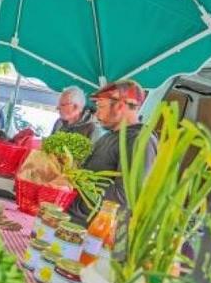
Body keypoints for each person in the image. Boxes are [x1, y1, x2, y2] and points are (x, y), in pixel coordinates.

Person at [67, 80, 158, 226]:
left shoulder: (140, 140)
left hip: (91, 233)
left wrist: (74, 183)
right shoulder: (110, 135)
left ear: (120, 106)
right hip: (73, 220)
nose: (96, 114)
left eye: (101, 106)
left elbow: (125, 196)